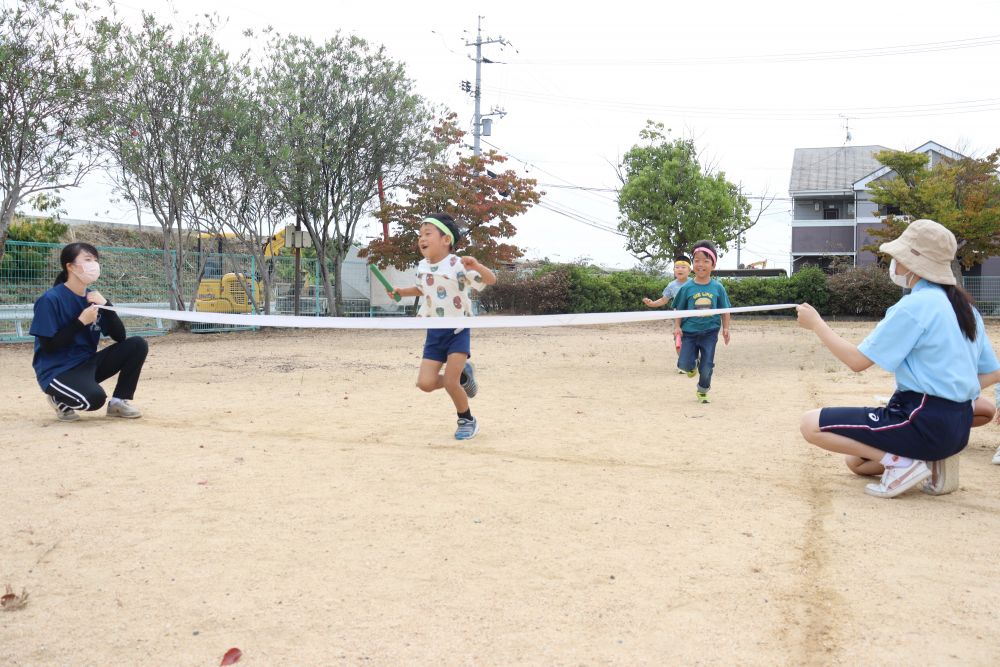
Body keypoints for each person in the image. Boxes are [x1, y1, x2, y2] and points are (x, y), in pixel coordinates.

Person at [796, 219, 1000, 498]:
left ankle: (903, 463)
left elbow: (857, 361)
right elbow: (993, 371)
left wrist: (817, 323)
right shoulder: (965, 307)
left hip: (918, 417)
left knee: (811, 424)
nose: (892, 262)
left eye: (896, 256)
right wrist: (958, 390)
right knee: (856, 462)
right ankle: (925, 460)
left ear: (911, 263)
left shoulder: (915, 306)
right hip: (957, 428)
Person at [386, 214, 497, 441]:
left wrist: (476, 265)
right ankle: (465, 377)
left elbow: (491, 280)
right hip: (434, 331)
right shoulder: (422, 266)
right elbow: (421, 289)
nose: (421, 239)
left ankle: (466, 419)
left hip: (457, 329)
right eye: (419, 235)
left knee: (449, 382)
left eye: (428, 234)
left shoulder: (458, 263)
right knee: (425, 383)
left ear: (446, 239)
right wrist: (400, 291)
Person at [30, 242, 149, 421]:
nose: (93, 264)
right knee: (94, 399)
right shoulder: (50, 300)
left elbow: (120, 336)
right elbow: (48, 347)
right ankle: (58, 398)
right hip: (57, 371)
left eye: (95, 260)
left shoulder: (93, 298)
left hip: (86, 363)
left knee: (137, 344)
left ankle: (118, 402)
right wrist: (80, 322)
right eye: (87, 259)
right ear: (70, 266)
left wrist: (107, 306)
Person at [672, 241, 731, 403]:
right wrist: (677, 326)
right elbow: (679, 308)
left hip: (710, 333)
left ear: (713, 265)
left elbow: (725, 310)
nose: (701, 264)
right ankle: (691, 365)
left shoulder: (718, 288)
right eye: (697, 260)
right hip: (689, 333)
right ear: (692, 265)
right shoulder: (686, 288)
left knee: (706, 367)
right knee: (683, 365)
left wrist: (726, 328)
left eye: (706, 261)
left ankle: (703, 390)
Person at [642, 256, 691, 359]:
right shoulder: (671, 285)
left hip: (693, 317)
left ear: (689, 270)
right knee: (678, 338)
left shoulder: (694, 283)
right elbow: (664, 300)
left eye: (683, 267)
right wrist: (652, 304)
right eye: (676, 267)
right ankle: (682, 362)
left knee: (693, 339)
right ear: (673, 270)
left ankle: (694, 358)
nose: (679, 269)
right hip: (678, 318)